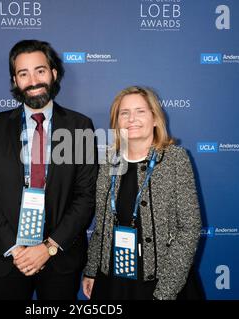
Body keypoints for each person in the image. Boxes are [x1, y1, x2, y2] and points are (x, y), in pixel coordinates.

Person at [0, 39, 98, 300]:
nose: (33, 80)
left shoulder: (80, 126)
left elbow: (86, 195)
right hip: (9, 258)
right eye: (23, 73)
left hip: (61, 258)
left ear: (53, 73)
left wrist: (48, 247)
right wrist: (15, 248)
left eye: (40, 70)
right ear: (15, 80)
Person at [82, 86, 202, 300]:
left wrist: (165, 292)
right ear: (116, 122)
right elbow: (101, 226)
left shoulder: (175, 159)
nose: (131, 119)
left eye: (140, 111)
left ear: (155, 119)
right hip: (114, 280)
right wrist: (92, 270)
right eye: (124, 113)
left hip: (162, 281)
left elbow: (189, 228)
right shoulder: (110, 161)